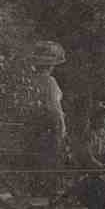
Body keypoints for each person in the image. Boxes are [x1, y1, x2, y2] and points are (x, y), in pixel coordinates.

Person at [29, 40, 68, 170]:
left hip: (32, 129)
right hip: (47, 131)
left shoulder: (29, 80)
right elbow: (55, 108)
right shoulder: (50, 82)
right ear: (51, 65)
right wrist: (62, 131)